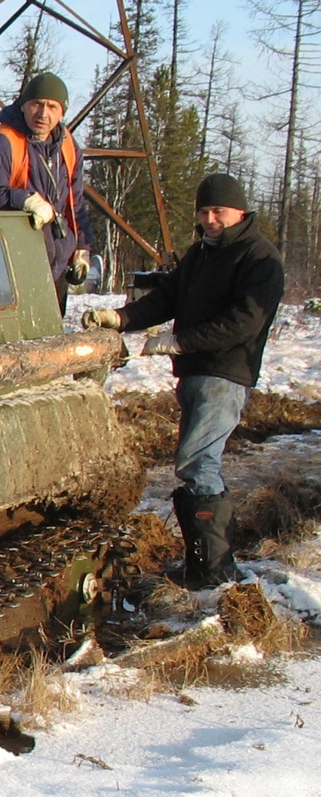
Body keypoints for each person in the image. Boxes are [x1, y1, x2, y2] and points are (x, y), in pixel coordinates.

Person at [82, 172, 285, 588]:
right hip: (195, 372)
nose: (211, 219)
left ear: (240, 211)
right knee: (197, 461)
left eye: (219, 211)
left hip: (224, 374)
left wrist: (178, 342)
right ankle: (204, 565)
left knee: (198, 462)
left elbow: (244, 322)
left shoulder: (259, 259)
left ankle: (213, 571)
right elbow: (167, 298)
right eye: (205, 211)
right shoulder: (201, 254)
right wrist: (121, 319)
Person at [0, 72, 95, 309]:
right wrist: (22, 199)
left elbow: (75, 204)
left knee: (49, 342)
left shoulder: (68, 146)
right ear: (23, 106)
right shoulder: (3, 143)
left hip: (56, 270)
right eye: (36, 104)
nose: (43, 113)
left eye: (52, 106)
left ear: (62, 112)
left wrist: (83, 247)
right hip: (10, 273)